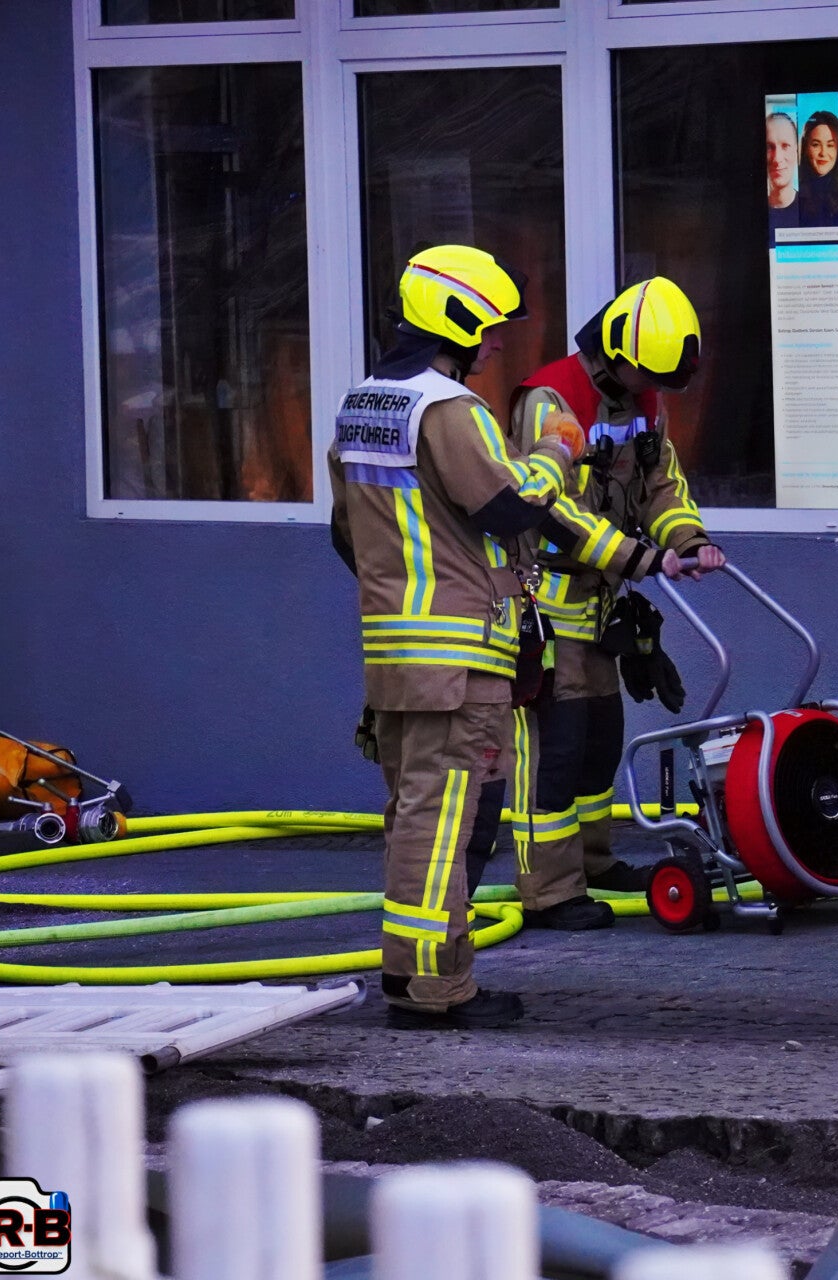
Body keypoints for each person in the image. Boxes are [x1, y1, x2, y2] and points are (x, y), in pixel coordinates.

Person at [330, 244, 584, 1029]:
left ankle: (413, 981)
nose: (495, 342)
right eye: (490, 326)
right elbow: (507, 505)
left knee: (413, 817)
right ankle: (437, 991)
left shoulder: (360, 406)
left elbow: (345, 534)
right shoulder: (449, 410)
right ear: (459, 319)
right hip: (459, 657)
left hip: (397, 656)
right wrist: (554, 453)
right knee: (447, 827)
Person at [505, 277, 725, 931]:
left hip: (598, 607)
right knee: (555, 750)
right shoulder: (553, 401)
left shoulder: (643, 397)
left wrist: (688, 539)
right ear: (612, 351)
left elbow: (660, 483)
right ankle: (547, 890)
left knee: (600, 742)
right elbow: (551, 511)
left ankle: (593, 862)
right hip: (545, 605)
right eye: (641, 373)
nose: (647, 389)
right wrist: (642, 560)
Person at [795, 110, 838, 228]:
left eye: (830, 145)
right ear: (805, 148)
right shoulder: (795, 196)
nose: (823, 153)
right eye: (815, 144)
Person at [766, 112, 801, 235]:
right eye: (769, 147)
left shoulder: (812, 210)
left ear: (797, 152)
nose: (777, 159)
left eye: (785, 146)